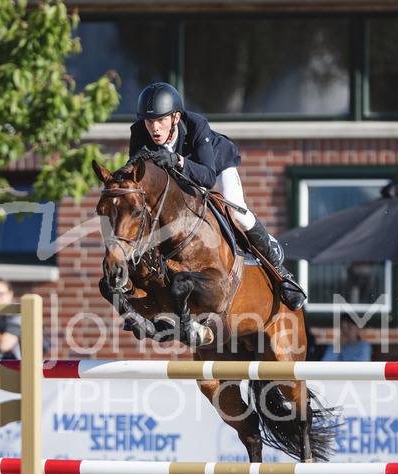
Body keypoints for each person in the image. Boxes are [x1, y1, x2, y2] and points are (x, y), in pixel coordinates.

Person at [128, 82, 306, 310]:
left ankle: (281, 275)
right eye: (149, 121)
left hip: (215, 165)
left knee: (235, 208)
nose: (154, 128)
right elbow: (134, 177)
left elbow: (208, 177)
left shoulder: (196, 125)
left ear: (175, 117)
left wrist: (178, 161)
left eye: (161, 120)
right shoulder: (139, 133)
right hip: (179, 180)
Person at [0, 279, 50, 360]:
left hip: (22, 367)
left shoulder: (19, 316)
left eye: (1, 294)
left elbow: (5, 345)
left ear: (10, 294)